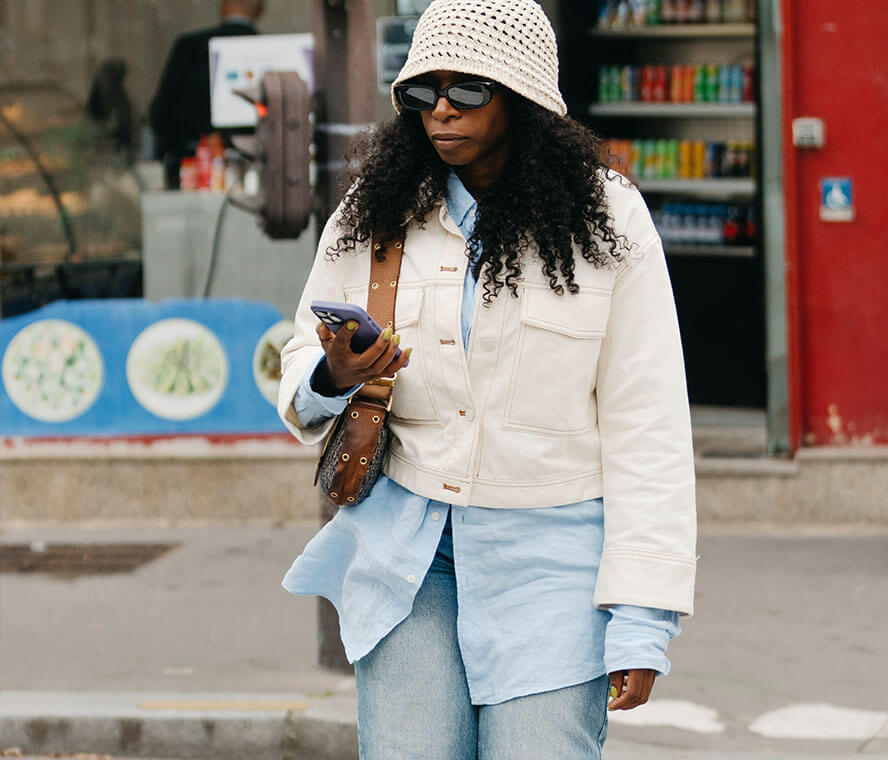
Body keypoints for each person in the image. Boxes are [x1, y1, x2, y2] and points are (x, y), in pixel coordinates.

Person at [277, 1, 697, 757]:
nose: (441, 110)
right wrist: (333, 372)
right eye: (422, 92)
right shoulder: (376, 211)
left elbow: (649, 423)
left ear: (522, 95)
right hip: (407, 556)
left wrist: (644, 613)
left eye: (467, 90)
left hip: (555, 564)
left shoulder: (611, 219)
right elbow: (300, 359)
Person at [148, 0, 264, 188]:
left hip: (193, 170)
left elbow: (161, 112)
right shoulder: (274, 51)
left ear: (222, 5)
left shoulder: (189, 47)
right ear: (261, 10)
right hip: (257, 171)